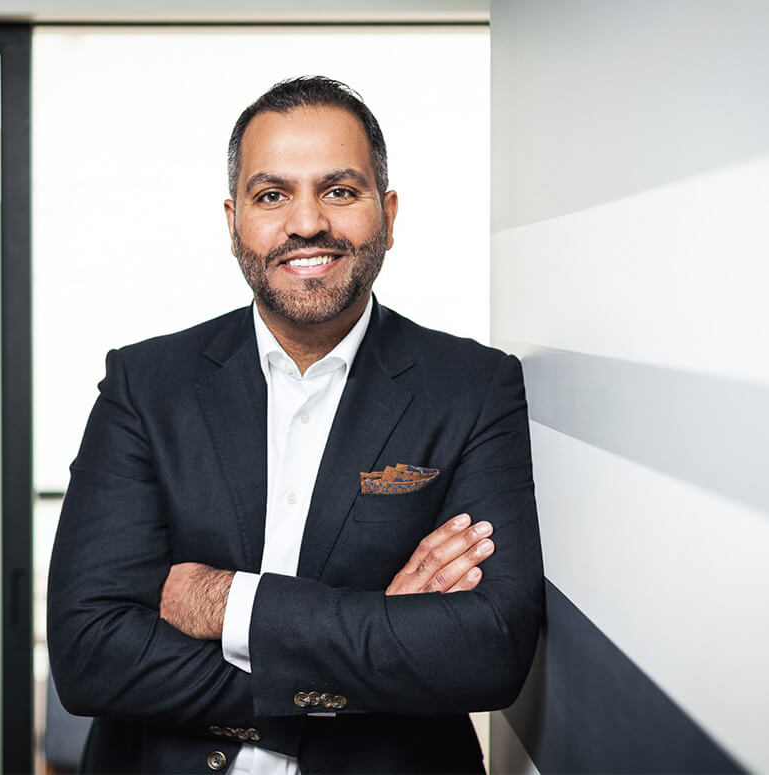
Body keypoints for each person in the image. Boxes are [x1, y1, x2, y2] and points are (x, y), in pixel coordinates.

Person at [48, 76, 544, 774]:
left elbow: (488, 648)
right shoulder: (145, 386)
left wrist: (228, 601)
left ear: (389, 213)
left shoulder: (473, 388)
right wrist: (380, 639)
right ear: (233, 222)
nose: (307, 222)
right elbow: (88, 653)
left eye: (340, 190)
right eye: (271, 194)